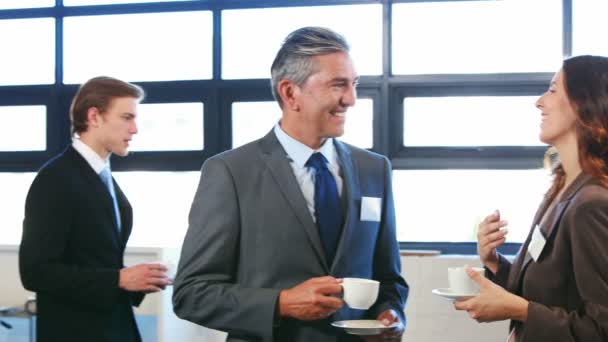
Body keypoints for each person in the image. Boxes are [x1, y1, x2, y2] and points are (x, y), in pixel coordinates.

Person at [172, 27, 408, 342]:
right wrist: (280, 304)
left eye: (354, 84)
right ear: (290, 93)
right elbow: (191, 294)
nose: (351, 99)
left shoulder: (374, 169)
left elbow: (389, 278)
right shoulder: (230, 172)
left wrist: (391, 313)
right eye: (338, 85)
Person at [454, 55, 608, 341]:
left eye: (552, 89)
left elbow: (601, 330)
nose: (539, 102)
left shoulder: (592, 204)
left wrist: (522, 311)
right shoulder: (561, 190)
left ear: (584, 105)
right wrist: (495, 263)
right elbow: (549, 292)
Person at [19, 76, 172, 342]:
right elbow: (36, 272)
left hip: (113, 328)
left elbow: (97, 261)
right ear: (94, 116)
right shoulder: (55, 179)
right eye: (126, 117)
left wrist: (138, 280)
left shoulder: (102, 177)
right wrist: (118, 279)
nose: (135, 129)